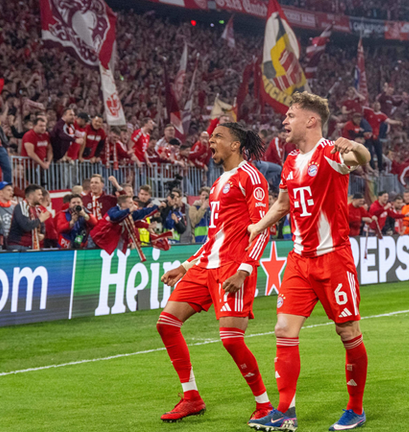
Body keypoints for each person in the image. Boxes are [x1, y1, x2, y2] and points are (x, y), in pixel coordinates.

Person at [247, 92, 371, 431]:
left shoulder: (331, 153)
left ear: (311, 120)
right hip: (300, 261)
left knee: (348, 332)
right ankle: (285, 413)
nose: (284, 121)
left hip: (333, 260)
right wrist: (257, 226)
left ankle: (355, 409)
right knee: (283, 330)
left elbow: (361, 157)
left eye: (291, 115)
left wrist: (355, 146)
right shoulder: (290, 161)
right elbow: (282, 204)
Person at [158, 122, 272, 423]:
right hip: (206, 265)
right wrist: (185, 266)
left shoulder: (251, 177)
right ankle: (191, 398)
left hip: (234, 267)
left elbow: (262, 228)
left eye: (218, 137)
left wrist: (245, 269)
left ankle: (264, 406)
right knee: (167, 324)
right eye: (210, 137)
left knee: (232, 340)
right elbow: (214, 236)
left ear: (235, 145)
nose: (211, 141)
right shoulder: (220, 182)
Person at [7, 184, 50, 251]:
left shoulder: (37, 209)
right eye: (39, 195)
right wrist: (40, 219)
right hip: (18, 246)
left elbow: (42, 226)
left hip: (31, 247)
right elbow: (26, 225)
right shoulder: (22, 206)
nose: (42, 197)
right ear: (31, 196)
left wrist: (42, 235)